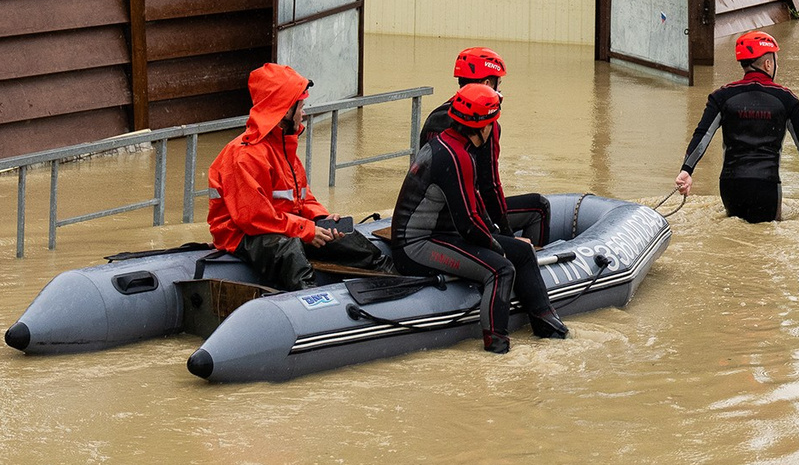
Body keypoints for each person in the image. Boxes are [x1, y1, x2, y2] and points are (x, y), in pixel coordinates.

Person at [391, 83, 566, 353]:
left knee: (520, 250)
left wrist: (505, 240)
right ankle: (497, 347)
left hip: (442, 234)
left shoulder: (455, 146)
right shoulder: (454, 156)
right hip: (416, 246)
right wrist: (497, 247)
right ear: (483, 127)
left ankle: (548, 325)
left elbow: (475, 211)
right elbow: (469, 223)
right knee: (501, 269)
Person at [207, 61, 389, 290]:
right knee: (288, 249)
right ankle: (308, 299)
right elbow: (255, 220)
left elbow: (302, 199)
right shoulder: (246, 156)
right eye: (300, 106)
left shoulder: (283, 147)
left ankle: (392, 278)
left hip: (284, 224)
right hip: (242, 236)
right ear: (284, 111)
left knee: (346, 238)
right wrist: (305, 230)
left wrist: (322, 219)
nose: (303, 113)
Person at [676, 31, 799, 224]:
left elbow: (702, 135)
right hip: (767, 186)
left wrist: (686, 170)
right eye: (776, 61)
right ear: (768, 64)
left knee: (734, 238)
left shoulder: (722, 96)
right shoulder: (786, 99)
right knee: (766, 240)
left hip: (731, 186)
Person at [417, 46, 549, 244]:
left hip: (429, 213)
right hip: (462, 215)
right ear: (487, 83)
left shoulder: (436, 116)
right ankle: (537, 262)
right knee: (539, 206)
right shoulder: (484, 123)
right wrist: (507, 237)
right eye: (499, 83)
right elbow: (490, 186)